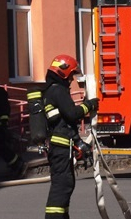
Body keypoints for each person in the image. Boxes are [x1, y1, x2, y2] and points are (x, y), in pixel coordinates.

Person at [43, 54, 99, 217]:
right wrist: (89, 105)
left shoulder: (51, 90)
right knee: (62, 186)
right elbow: (72, 114)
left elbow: (65, 121)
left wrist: (77, 141)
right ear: (63, 72)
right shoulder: (58, 91)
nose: (72, 80)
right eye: (71, 75)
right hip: (61, 148)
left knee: (66, 184)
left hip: (60, 147)